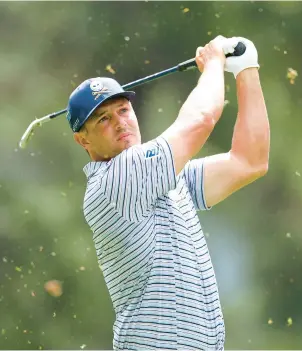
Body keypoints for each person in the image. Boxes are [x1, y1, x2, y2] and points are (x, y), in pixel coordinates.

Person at [66, 35, 270, 350]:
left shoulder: (164, 179)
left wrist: (247, 70)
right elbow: (201, 120)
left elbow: (250, 161)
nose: (120, 123)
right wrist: (214, 64)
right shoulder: (115, 181)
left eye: (123, 110)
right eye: (103, 119)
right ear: (84, 141)